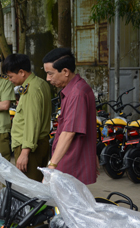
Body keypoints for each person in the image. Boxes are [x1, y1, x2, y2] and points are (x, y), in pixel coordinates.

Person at [43, 48, 97, 184]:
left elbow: (68, 133)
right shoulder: (73, 89)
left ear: (65, 72)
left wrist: (51, 167)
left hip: (71, 163)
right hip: (70, 159)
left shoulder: (77, 93)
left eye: (50, 74)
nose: (48, 79)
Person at [2, 54, 52, 182]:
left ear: (21, 72)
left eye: (11, 76)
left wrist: (24, 153)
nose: (10, 80)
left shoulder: (31, 90)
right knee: (36, 186)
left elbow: (32, 123)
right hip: (38, 143)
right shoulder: (41, 83)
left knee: (30, 189)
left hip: (29, 147)